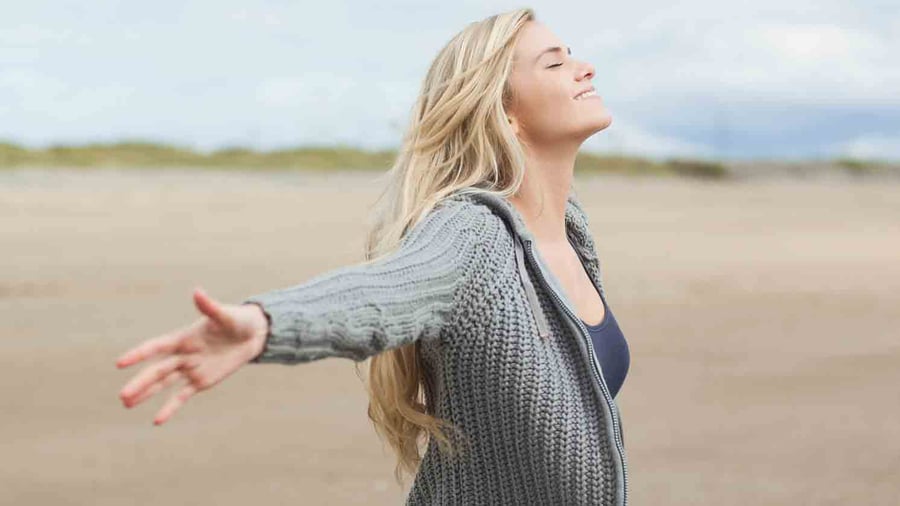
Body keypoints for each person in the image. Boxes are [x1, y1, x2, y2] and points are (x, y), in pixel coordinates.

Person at [115, 7, 631, 505]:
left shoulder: (571, 230)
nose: (585, 67)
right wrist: (268, 323)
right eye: (555, 63)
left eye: (572, 54)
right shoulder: (475, 233)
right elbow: (390, 290)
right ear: (505, 113)